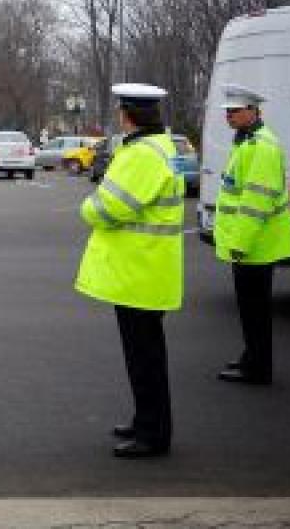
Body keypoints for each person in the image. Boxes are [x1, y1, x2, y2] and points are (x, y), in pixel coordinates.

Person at [75, 83, 184, 459]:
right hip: (145, 268)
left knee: (146, 357)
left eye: (122, 111)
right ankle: (145, 420)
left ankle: (153, 433)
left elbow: (110, 207)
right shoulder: (157, 147)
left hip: (141, 270)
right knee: (144, 354)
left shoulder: (141, 155)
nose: (119, 116)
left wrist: (87, 207)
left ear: (129, 115)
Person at [213, 83, 290, 386]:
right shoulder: (249, 142)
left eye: (235, 111)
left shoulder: (261, 146)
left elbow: (255, 203)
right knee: (251, 309)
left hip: (254, 245)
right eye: (227, 112)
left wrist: (239, 244)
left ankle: (258, 369)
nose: (229, 117)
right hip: (254, 244)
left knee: (254, 311)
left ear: (252, 111)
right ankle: (252, 357)